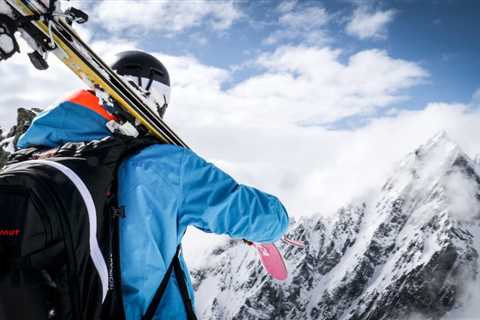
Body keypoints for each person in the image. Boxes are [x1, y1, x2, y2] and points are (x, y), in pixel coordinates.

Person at [16, 50, 289, 319]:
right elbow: (261, 218)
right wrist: (279, 221)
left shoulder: (31, 155)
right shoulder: (166, 165)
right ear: (158, 100)